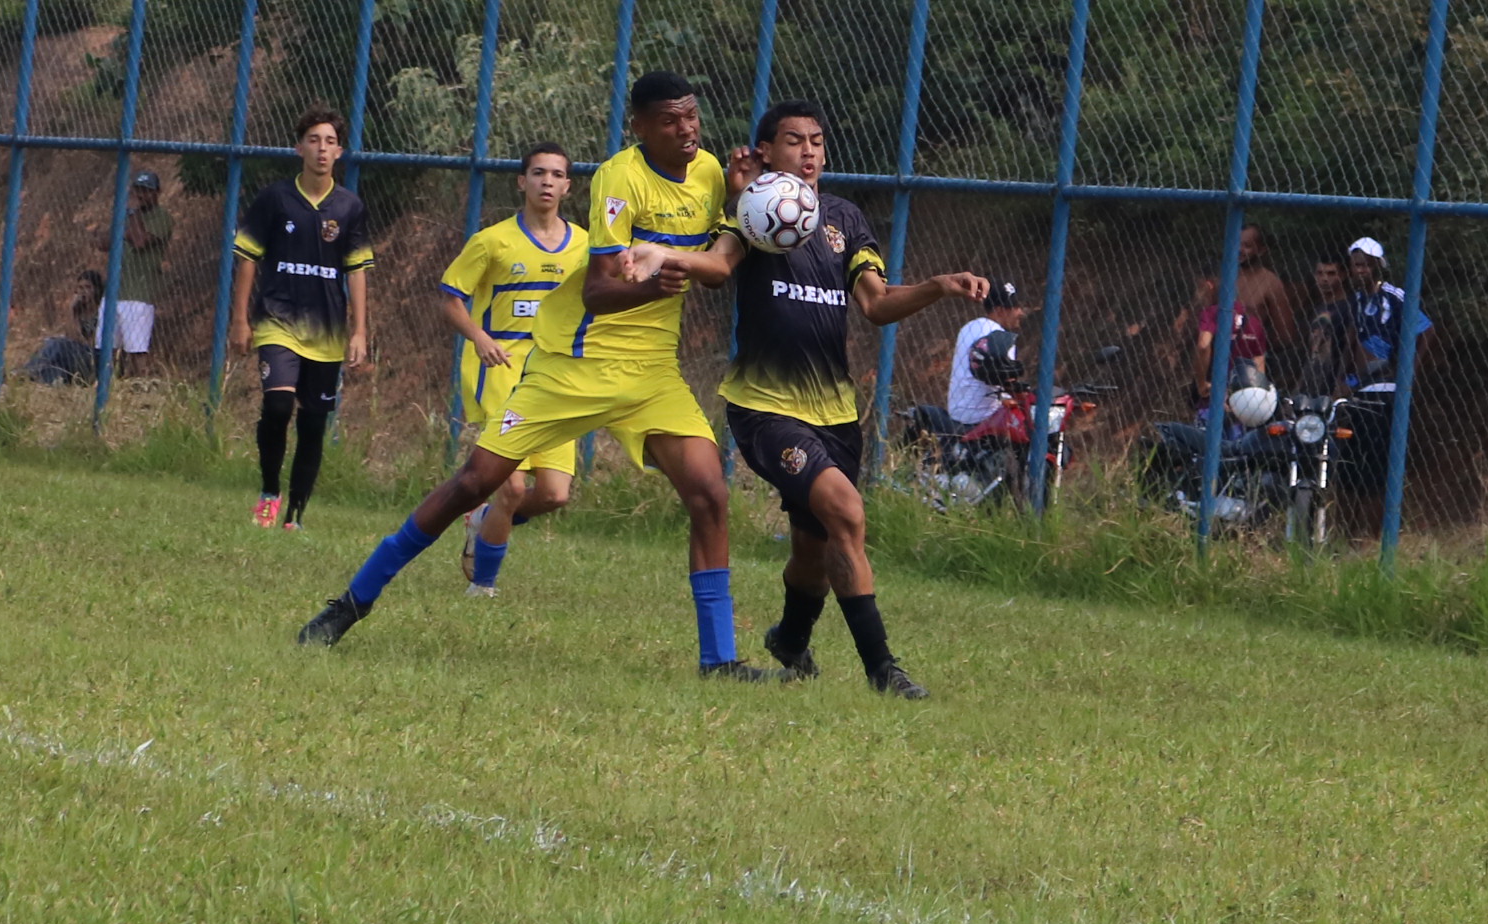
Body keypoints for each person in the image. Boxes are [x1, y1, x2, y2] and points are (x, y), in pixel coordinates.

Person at [298, 72, 780, 681]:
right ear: (639, 127)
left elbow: (714, 264)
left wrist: (738, 202)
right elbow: (599, 291)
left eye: (692, 117)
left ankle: (719, 660)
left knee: (710, 495)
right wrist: (654, 286)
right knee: (475, 482)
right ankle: (351, 603)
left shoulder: (709, 171)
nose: (687, 130)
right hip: (574, 365)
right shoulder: (619, 178)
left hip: (653, 375)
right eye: (670, 120)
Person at [692, 99, 988, 699]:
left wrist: (937, 286)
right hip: (767, 407)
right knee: (847, 512)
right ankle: (883, 671)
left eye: (817, 141)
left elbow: (876, 304)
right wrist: (734, 200)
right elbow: (718, 267)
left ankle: (790, 639)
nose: (808, 151)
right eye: (794, 140)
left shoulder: (843, 218)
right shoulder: (751, 211)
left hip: (834, 411)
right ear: (766, 151)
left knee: (816, 547)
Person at [438, 142, 586, 597]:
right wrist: (479, 337)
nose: (547, 182)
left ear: (567, 186)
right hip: (502, 374)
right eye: (538, 173)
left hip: (557, 379)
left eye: (556, 175)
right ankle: (483, 587)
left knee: (554, 494)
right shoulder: (492, 241)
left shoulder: (584, 245)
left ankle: (483, 520)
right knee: (512, 487)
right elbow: (451, 298)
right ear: (522, 181)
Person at [228, 107, 374, 531]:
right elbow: (248, 259)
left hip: (326, 330)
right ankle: (269, 493)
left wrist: (359, 331)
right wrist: (240, 320)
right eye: (314, 140)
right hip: (277, 319)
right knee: (277, 405)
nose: (322, 149)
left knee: (312, 423)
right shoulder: (275, 199)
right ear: (299, 148)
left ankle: (295, 516)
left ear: (340, 151)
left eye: (330, 142)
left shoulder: (349, 207)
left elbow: (357, 271)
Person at [1343, 235, 1433, 534]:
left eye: (1365, 265)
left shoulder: (1394, 296)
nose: (1360, 271)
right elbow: (1350, 342)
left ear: (1377, 267)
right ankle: (1350, 531)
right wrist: (1346, 380)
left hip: (1388, 391)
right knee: (1354, 464)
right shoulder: (1355, 301)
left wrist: (1407, 373)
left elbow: (1426, 330)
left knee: (1379, 464)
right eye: (1355, 265)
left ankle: (1377, 533)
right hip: (1360, 390)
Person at [90, 170, 173, 377]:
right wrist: (122, 225)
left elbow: (140, 241)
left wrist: (132, 217)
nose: (141, 195)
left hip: (138, 294)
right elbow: (102, 243)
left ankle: (140, 385)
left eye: (147, 191)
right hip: (114, 292)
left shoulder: (161, 218)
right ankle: (105, 384)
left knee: (136, 349)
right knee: (104, 346)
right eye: (138, 190)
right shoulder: (126, 215)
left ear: (157, 193)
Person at [1192, 267, 1268, 428]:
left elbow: (1203, 345)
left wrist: (1201, 383)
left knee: (1206, 438)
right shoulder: (1253, 321)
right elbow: (1259, 366)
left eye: (1199, 288)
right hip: (1243, 400)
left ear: (1209, 285)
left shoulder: (1212, 313)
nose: (1198, 294)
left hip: (1214, 394)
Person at [947, 279, 1024, 428]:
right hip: (983, 415)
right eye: (1015, 307)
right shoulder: (1001, 338)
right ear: (1000, 310)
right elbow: (1008, 381)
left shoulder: (969, 327)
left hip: (957, 411)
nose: (1020, 312)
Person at [21, 269, 102, 385]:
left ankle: (26, 372)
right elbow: (71, 336)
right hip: (75, 355)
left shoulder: (102, 311)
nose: (83, 291)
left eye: (88, 287)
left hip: (94, 358)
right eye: (80, 288)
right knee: (53, 363)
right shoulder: (78, 312)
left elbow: (90, 343)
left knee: (57, 344)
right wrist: (71, 311)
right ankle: (49, 380)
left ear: (97, 289)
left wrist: (72, 343)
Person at [1236, 223, 1294, 350]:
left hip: (1248, 355)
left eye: (1247, 246)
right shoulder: (1221, 277)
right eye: (1236, 244)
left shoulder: (1270, 282)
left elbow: (1285, 335)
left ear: (1261, 250)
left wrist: (1258, 346)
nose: (1240, 249)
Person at [1299, 255, 1351, 396]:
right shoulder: (1316, 308)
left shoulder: (1349, 308)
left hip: (1334, 384)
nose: (1325, 279)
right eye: (1320, 273)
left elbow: (1349, 349)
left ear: (1343, 275)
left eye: (1331, 273)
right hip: (1311, 383)